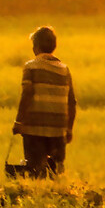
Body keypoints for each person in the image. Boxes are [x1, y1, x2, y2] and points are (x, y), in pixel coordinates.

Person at [12, 25, 77, 177]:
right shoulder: (64, 69)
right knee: (54, 173)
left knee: (35, 171)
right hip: (58, 130)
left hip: (34, 129)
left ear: (36, 47)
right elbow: (72, 102)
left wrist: (19, 122)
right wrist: (69, 130)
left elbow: (27, 94)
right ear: (54, 47)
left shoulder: (30, 67)